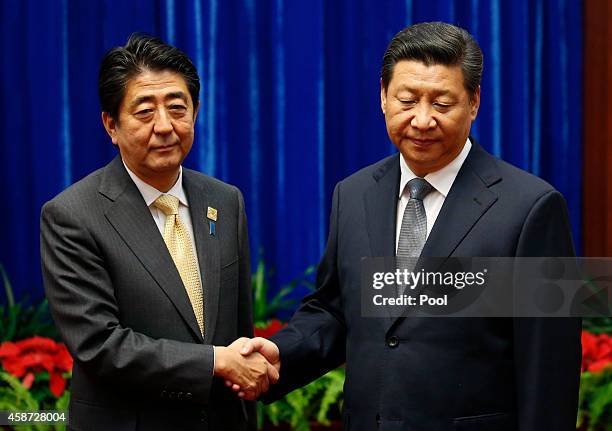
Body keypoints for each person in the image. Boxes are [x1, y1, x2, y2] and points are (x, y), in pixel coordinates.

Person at [236, 22, 581, 430]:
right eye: (407, 99)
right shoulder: (354, 193)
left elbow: (550, 369)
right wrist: (282, 355)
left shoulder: (533, 207)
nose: (422, 119)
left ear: (474, 102)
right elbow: (334, 310)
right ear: (383, 96)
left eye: (441, 103)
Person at [40, 34, 277, 431]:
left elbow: (238, 329)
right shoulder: (72, 215)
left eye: (177, 108)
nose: (165, 126)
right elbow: (101, 346)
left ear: (196, 113)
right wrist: (216, 361)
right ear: (111, 125)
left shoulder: (225, 200)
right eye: (145, 112)